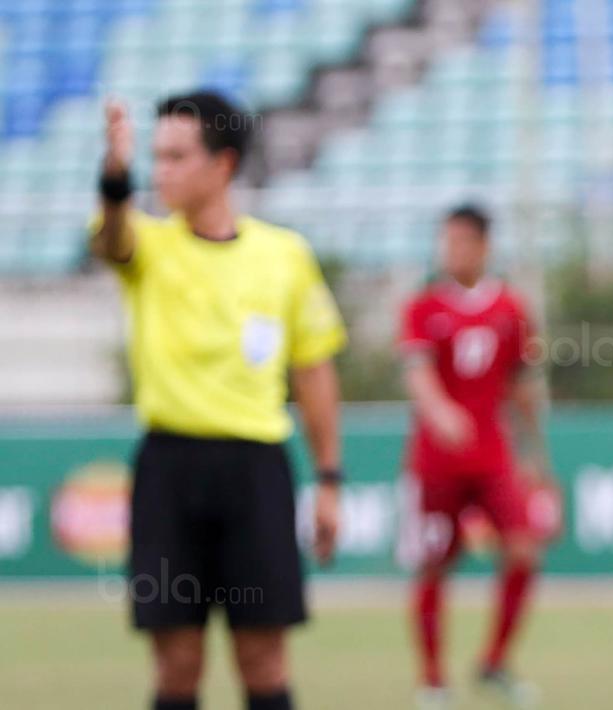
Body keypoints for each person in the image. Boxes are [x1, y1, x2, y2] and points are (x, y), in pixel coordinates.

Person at [91, 91, 347, 710]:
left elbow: (314, 371)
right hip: (169, 471)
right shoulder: (150, 246)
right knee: (176, 663)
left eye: (177, 157)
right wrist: (115, 175)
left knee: (263, 660)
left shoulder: (284, 256)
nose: (162, 172)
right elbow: (113, 241)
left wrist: (329, 479)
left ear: (223, 164)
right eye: (156, 157)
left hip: (255, 471)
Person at [399, 205, 552, 708]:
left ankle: (494, 662)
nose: (452, 251)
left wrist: (535, 454)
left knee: (524, 550)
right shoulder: (422, 307)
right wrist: (440, 411)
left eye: (461, 241)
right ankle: (433, 680)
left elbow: (521, 386)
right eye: (446, 241)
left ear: (484, 246)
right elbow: (417, 373)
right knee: (434, 564)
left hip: (493, 457)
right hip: (437, 461)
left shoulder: (511, 308)